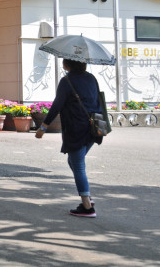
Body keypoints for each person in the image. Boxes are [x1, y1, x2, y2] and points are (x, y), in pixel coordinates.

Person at [35, 58, 104, 217]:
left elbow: (57, 105)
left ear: (68, 64)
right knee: (73, 161)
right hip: (94, 127)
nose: (62, 63)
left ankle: (87, 206)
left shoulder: (67, 81)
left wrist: (44, 126)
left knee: (78, 165)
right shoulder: (91, 78)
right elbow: (98, 100)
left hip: (76, 129)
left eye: (64, 61)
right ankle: (88, 198)